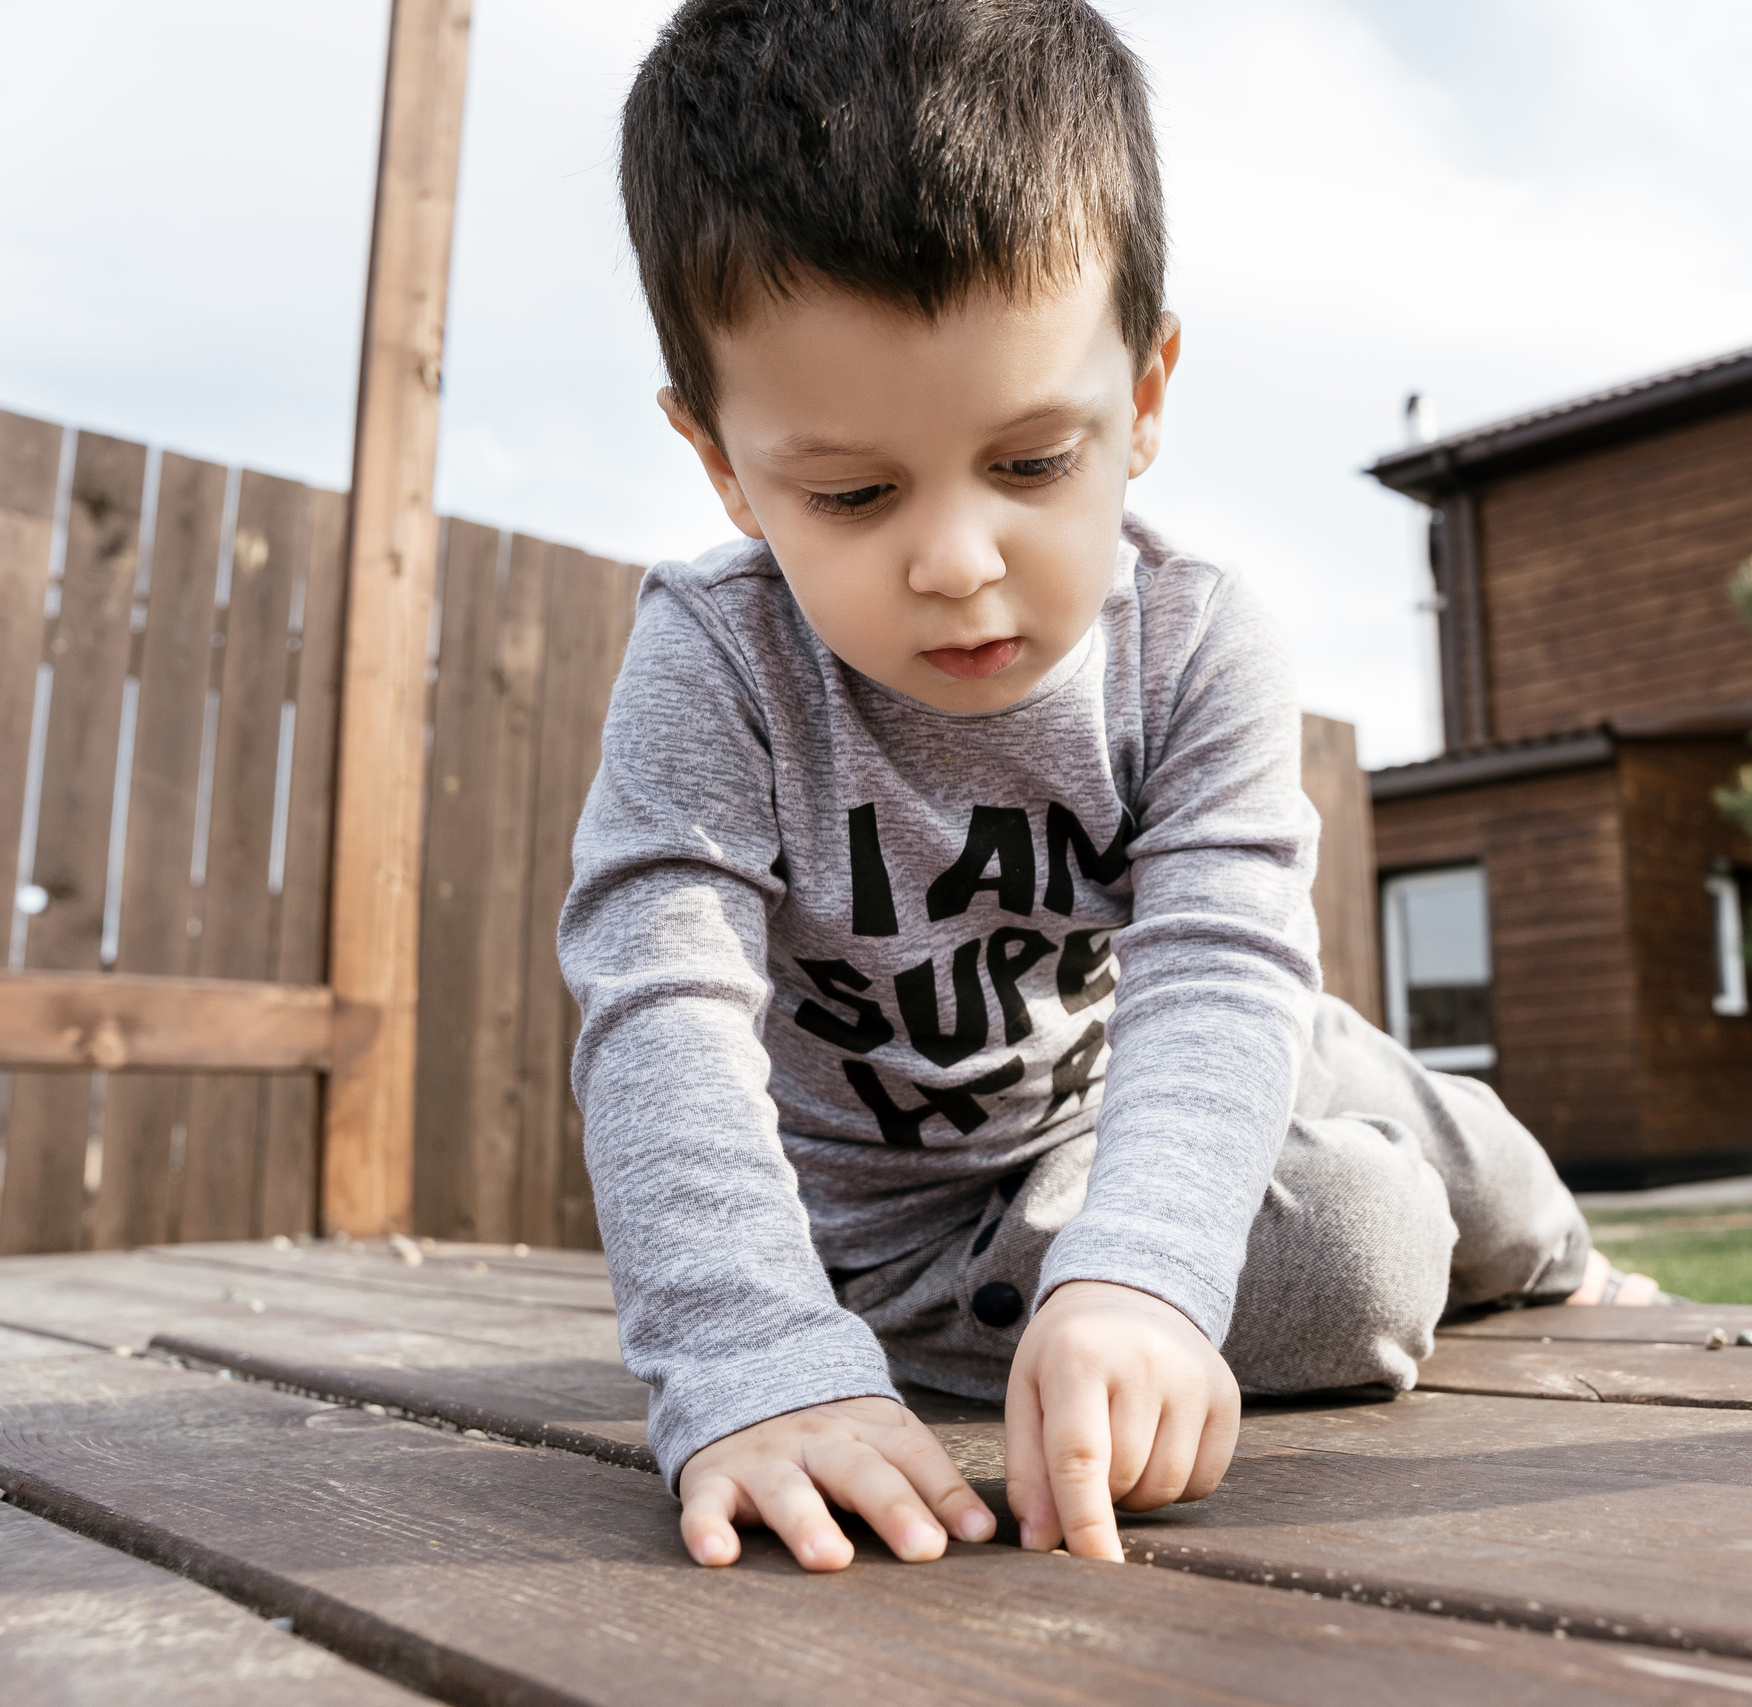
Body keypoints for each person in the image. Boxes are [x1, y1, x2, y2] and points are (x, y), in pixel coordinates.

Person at [561, 0, 1666, 1578]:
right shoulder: (717, 661)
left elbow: (1219, 964)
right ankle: (1243, 1213)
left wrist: (1143, 1270)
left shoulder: (1200, 643)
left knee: (1402, 1109)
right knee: (1367, 1243)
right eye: (854, 493)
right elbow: (658, 1004)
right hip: (927, 1239)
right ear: (724, 464)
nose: (958, 561)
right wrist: (750, 1357)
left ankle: (1563, 1265)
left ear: (1142, 399)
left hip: (1158, 1054)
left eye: (1030, 464)